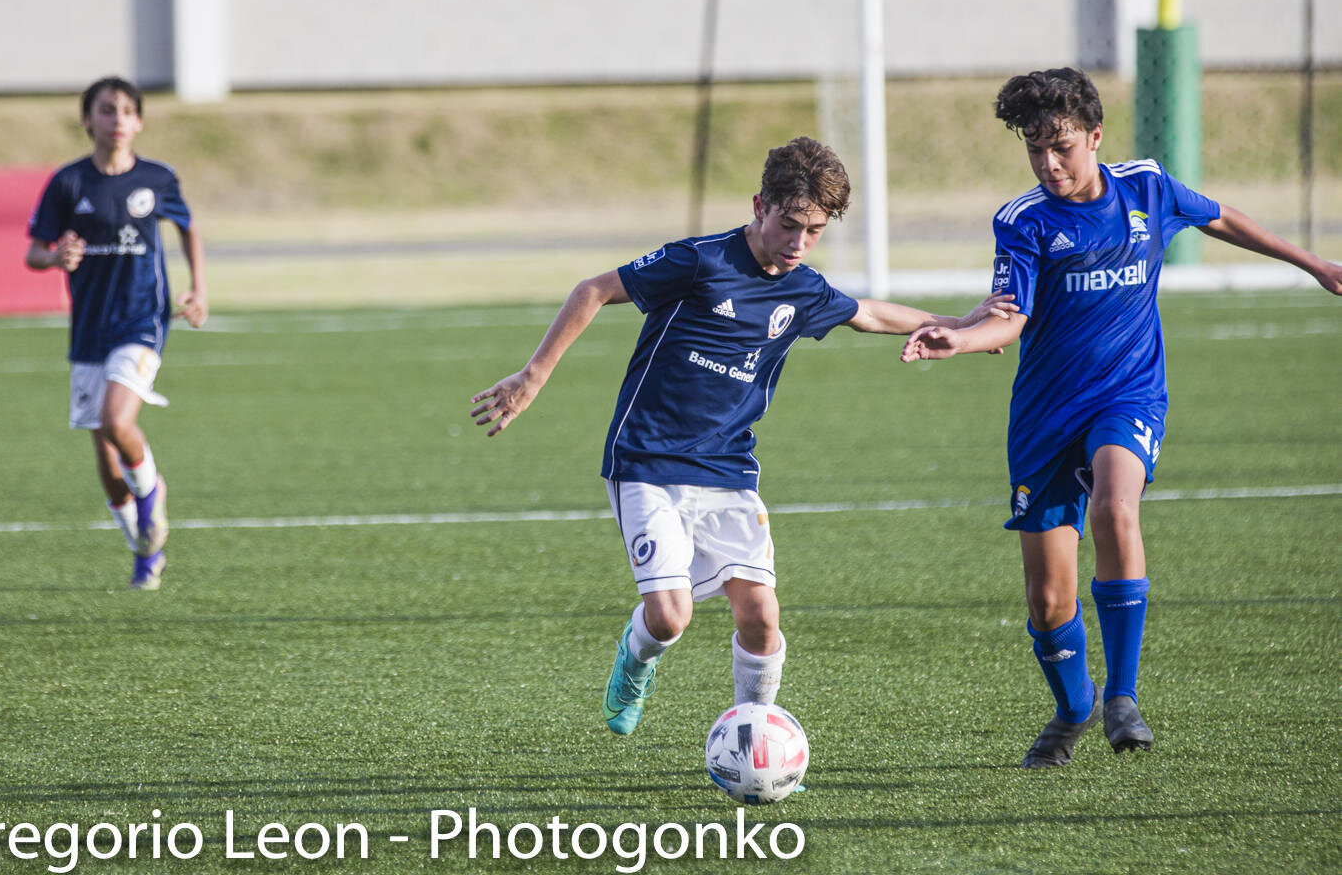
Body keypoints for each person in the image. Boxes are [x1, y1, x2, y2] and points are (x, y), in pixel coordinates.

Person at [471, 137, 1014, 735]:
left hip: (728, 469)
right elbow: (593, 290)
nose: (799, 242)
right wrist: (533, 375)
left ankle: (756, 740)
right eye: (789, 225)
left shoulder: (803, 288)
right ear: (760, 206)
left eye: (814, 231)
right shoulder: (700, 261)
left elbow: (867, 313)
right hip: (648, 460)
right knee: (670, 618)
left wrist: (958, 325)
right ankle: (636, 659)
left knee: (761, 616)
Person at [901, 67, 1342, 767]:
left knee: (1115, 506)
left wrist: (1311, 262)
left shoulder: (1147, 187)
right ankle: (1074, 706)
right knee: (1049, 602)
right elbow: (1009, 318)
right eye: (1035, 149)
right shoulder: (1023, 222)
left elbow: (1219, 216)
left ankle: (1123, 697)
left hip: (1128, 396)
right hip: (1046, 416)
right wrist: (960, 340)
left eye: (1062, 147)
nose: (1049, 164)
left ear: (1095, 136)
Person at [26, 76, 208, 590]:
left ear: (140, 121)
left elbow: (188, 227)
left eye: (127, 110)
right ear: (88, 120)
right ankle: (145, 552)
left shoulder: (156, 178)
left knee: (116, 420)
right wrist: (56, 258)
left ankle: (152, 495)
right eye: (107, 110)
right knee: (107, 463)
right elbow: (34, 252)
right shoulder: (68, 183)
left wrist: (199, 289)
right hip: (90, 328)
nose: (118, 119)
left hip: (141, 321)